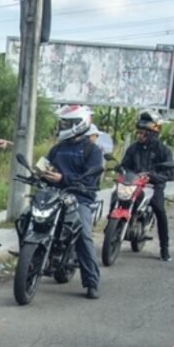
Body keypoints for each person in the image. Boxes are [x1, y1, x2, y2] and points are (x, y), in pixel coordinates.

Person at [44, 104, 104, 299]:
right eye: (62, 123)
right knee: (29, 217)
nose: (62, 126)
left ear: (78, 124)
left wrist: (63, 179)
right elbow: (45, 165)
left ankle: (91, 281)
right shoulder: (58, 148)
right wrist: (39, 173)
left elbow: (89, 179)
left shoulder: (92, 151)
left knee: (83, 234)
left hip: (79, 198)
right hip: (54, 195)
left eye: (66, 123)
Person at [121, 109, 174, 262]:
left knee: (159, 209)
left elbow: (169, 172)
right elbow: (125, 165)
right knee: (116, 196)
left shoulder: (163, 150)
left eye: (143, 133)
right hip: (133, 184)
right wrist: (121, 171)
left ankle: (165, 249)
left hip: (153, 185)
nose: (139, 136)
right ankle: (112, 228)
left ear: (153, 133)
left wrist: (154, 177)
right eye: (138, 132)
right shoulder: (133, 148)